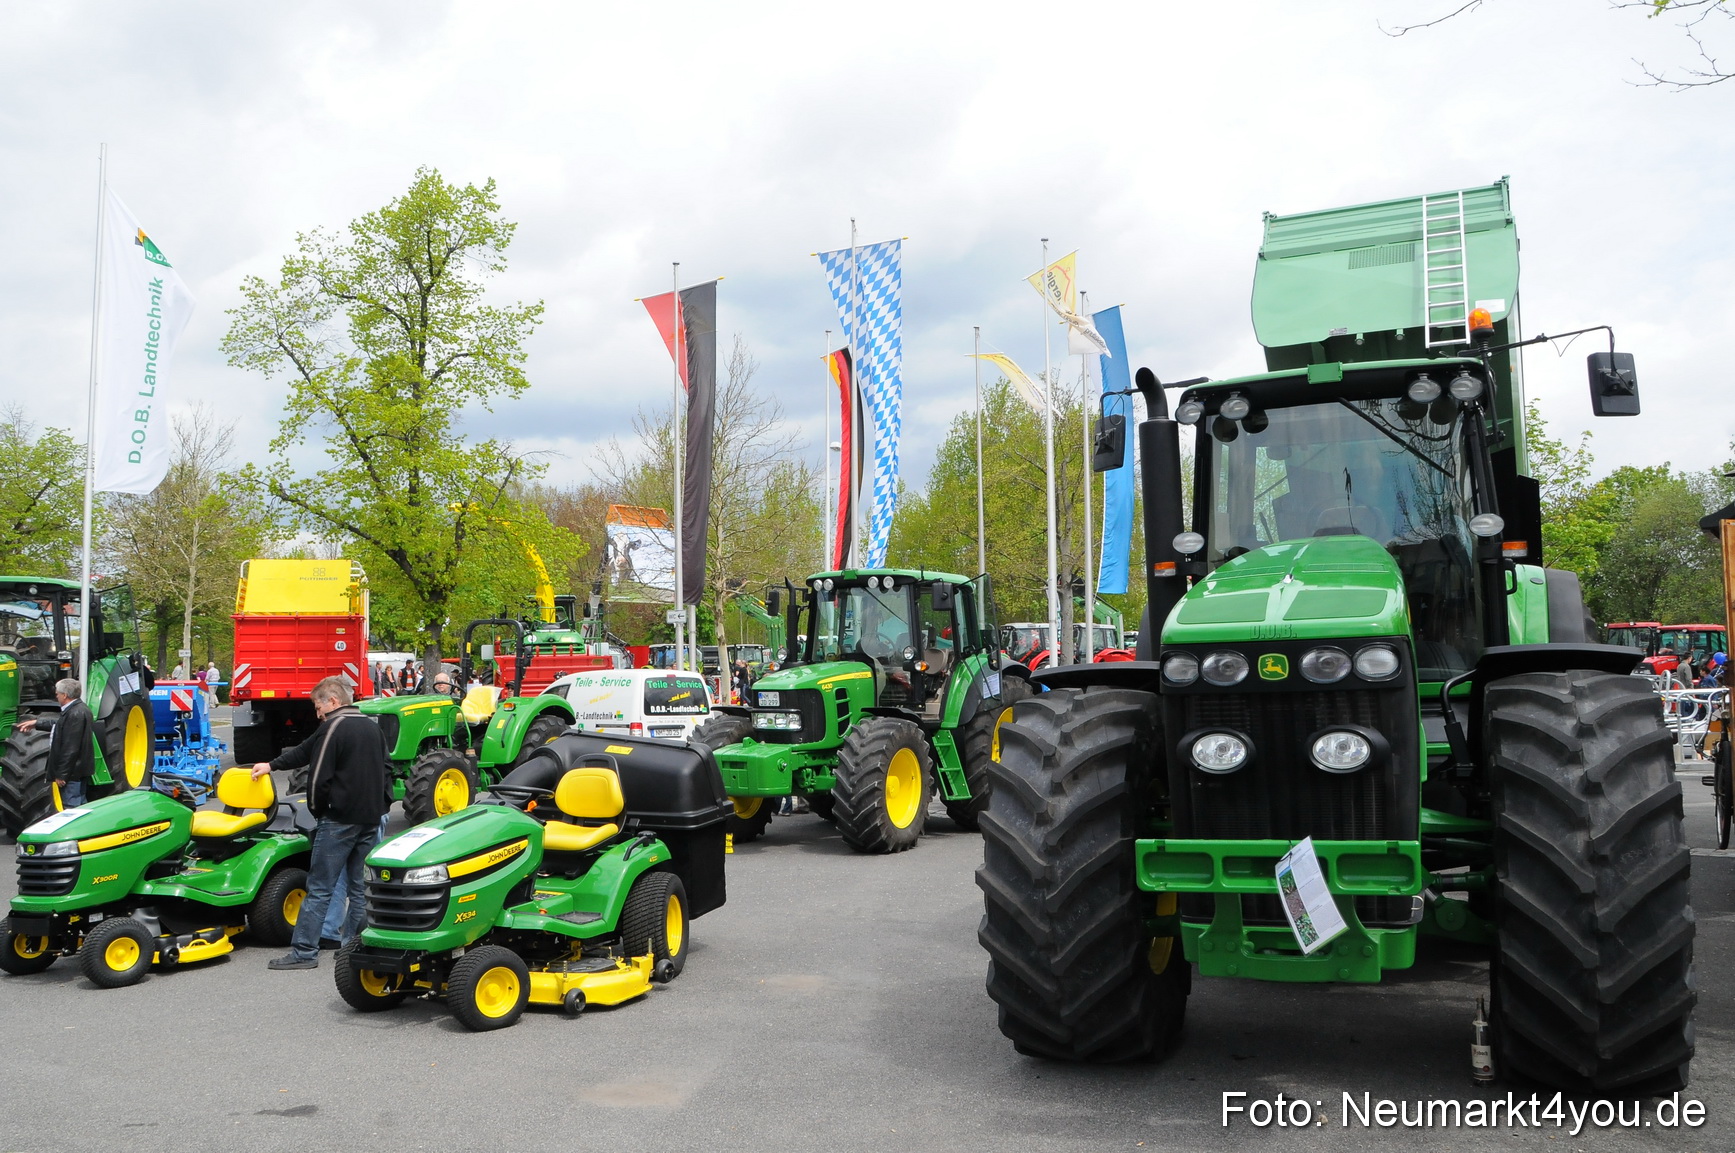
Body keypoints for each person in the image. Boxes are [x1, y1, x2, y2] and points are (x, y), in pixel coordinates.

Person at [252, 675, 390, 970]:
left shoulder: (333, 727)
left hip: (338, 820)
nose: (317, 714)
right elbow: (388, 769)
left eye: (318, 706)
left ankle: (304, 952)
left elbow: (317, 774)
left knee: (319, 888)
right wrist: (272, 765)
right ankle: (353, 949)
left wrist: (317, 811)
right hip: (370, 818)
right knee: (360, 888)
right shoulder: (371, 727)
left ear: (333, 701)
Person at [17, 678, 95, 808]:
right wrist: (37, 722)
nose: (56, 696)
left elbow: (71, 748)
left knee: (72, 807)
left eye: (57, 693)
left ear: (65, 695)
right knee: (80, 804)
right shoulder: (80, 709)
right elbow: (61, 725)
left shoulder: (75, 713)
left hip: (72, 773)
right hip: (79, 770)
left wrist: (61, 775)